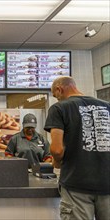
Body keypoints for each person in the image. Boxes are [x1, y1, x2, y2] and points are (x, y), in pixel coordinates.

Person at [44, 76, 110, 220]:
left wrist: (56, 163)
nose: (57, 99)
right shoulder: (107, 106)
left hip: (77, 184)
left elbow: (56, 149)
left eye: (56, 96)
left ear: (59, 89)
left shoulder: (59, 108)